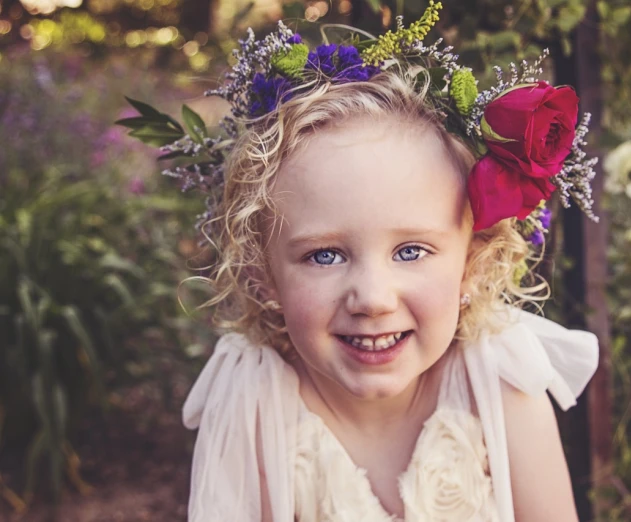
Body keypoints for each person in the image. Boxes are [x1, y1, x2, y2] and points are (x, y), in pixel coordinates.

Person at [121, 3, 600, 520]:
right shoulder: (254, 404)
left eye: (411, 251)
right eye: (324, 255)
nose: (372, 298)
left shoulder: (501, 382)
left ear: (473, 262)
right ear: (264, 278)